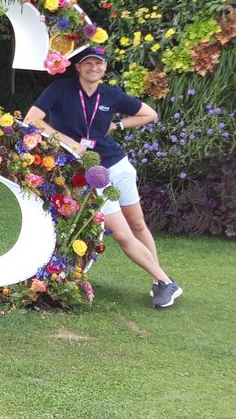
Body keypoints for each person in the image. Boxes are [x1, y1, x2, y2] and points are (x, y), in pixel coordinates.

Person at [24, 46, 182, 308]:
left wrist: (116, 125)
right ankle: (165, 281)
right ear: (78, 67)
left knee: (138, 226)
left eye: (98, 63)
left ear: (105, 67)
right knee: (121, 234)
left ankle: (160, 281)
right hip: (91, 173)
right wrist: (70, 143)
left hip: (118, 165)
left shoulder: (111, 94)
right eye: (88, 63)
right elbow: (33, 119)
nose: (93, 68)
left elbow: (149, 114)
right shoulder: (60, 90)